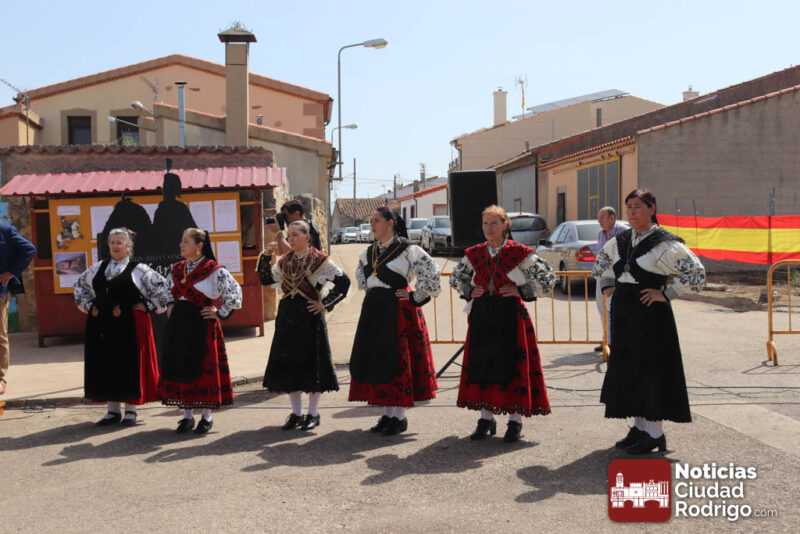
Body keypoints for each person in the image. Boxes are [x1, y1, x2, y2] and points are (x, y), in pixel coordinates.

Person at [593, 189, 705, 454]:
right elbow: (600, 265)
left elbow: (696, 274)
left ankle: (655, 433)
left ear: (652, 208)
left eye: (638, 206)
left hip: (651, 316)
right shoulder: (620, 240)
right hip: (625, 315)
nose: (632, 212)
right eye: (629, 207)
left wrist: (666, 294)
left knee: (651, 371)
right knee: (631, 370)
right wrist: (608, 285)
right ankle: (640, 428)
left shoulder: (664, 243)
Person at [450, 205, 555, 443]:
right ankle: (485, 419)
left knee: (511, 368)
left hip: (510, 317)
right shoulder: (475, 253)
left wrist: (521, 289)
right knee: (483, 367)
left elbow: (548, 278)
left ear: (505, 224)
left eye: (494, 223)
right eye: (485, 223)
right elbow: (456, 278)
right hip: (482, 317)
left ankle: (514, 421)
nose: (489, 228)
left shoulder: (519, 253)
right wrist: (469, 290)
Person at [348, 207, 440, 436]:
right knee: (379, 360)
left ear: (390, 223)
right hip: (374, 311)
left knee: (397, 361)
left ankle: (399, 416)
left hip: (398, 311)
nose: (372, 224)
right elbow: (363, 280)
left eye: (376, 220)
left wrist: (414, 296)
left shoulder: (408, 250)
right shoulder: (369, 252)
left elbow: (431, 272)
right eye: (371, 220)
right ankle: (387, 414)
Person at [73, 228, 172, 426]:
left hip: (130, 325)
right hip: (103, 325)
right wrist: (89, 306)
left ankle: (131, 411)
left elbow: (164, 289)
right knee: (107, 363)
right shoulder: (97, 268)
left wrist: (147, 306)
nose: (116, 246)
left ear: (128, 247)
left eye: (120, 242)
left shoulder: (140, 270)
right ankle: (112, 411)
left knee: (130, 365)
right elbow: (79, 287)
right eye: (112, 242)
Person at [258, 220, 350, 431]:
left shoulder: (320, 260)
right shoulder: (284, 261)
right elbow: (266, 279)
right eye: (289, 235)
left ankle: (313, 413)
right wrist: (265, 256)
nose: (290, 239)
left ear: (307, 237)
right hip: (287, 316)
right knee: (291, 364)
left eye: (295, 235)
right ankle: (296, 413)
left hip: (309, 316)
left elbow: (343, 283)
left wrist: (324, 304)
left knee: (312, 364)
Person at [158, 228, 243, 434]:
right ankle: (187, 416)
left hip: (202, 324)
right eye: (182, 241)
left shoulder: (213, 270)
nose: (181, 245)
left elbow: (234, 292)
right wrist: (170, 306)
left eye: (186, 242)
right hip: (179, 325)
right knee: (181, 366)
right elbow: (166, 292)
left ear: (199, 245)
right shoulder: (177, 268)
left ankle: (206, 417)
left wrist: (219, 312)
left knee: (203, 368)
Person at [0, 221, 36, 396]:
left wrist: (11, 272)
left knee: (0, 335)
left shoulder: (4, 230)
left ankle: (0, 379)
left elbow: (29, 249)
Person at [594, 206, 627, 352]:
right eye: (598, 218)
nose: (599, 221)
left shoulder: (623, 232)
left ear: (612, 218)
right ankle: (606, 339)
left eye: (602, 217)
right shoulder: (601, 234)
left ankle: (617, 341)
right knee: (602, 308)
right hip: (602, 275)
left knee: (614, 309)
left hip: (617, 276)